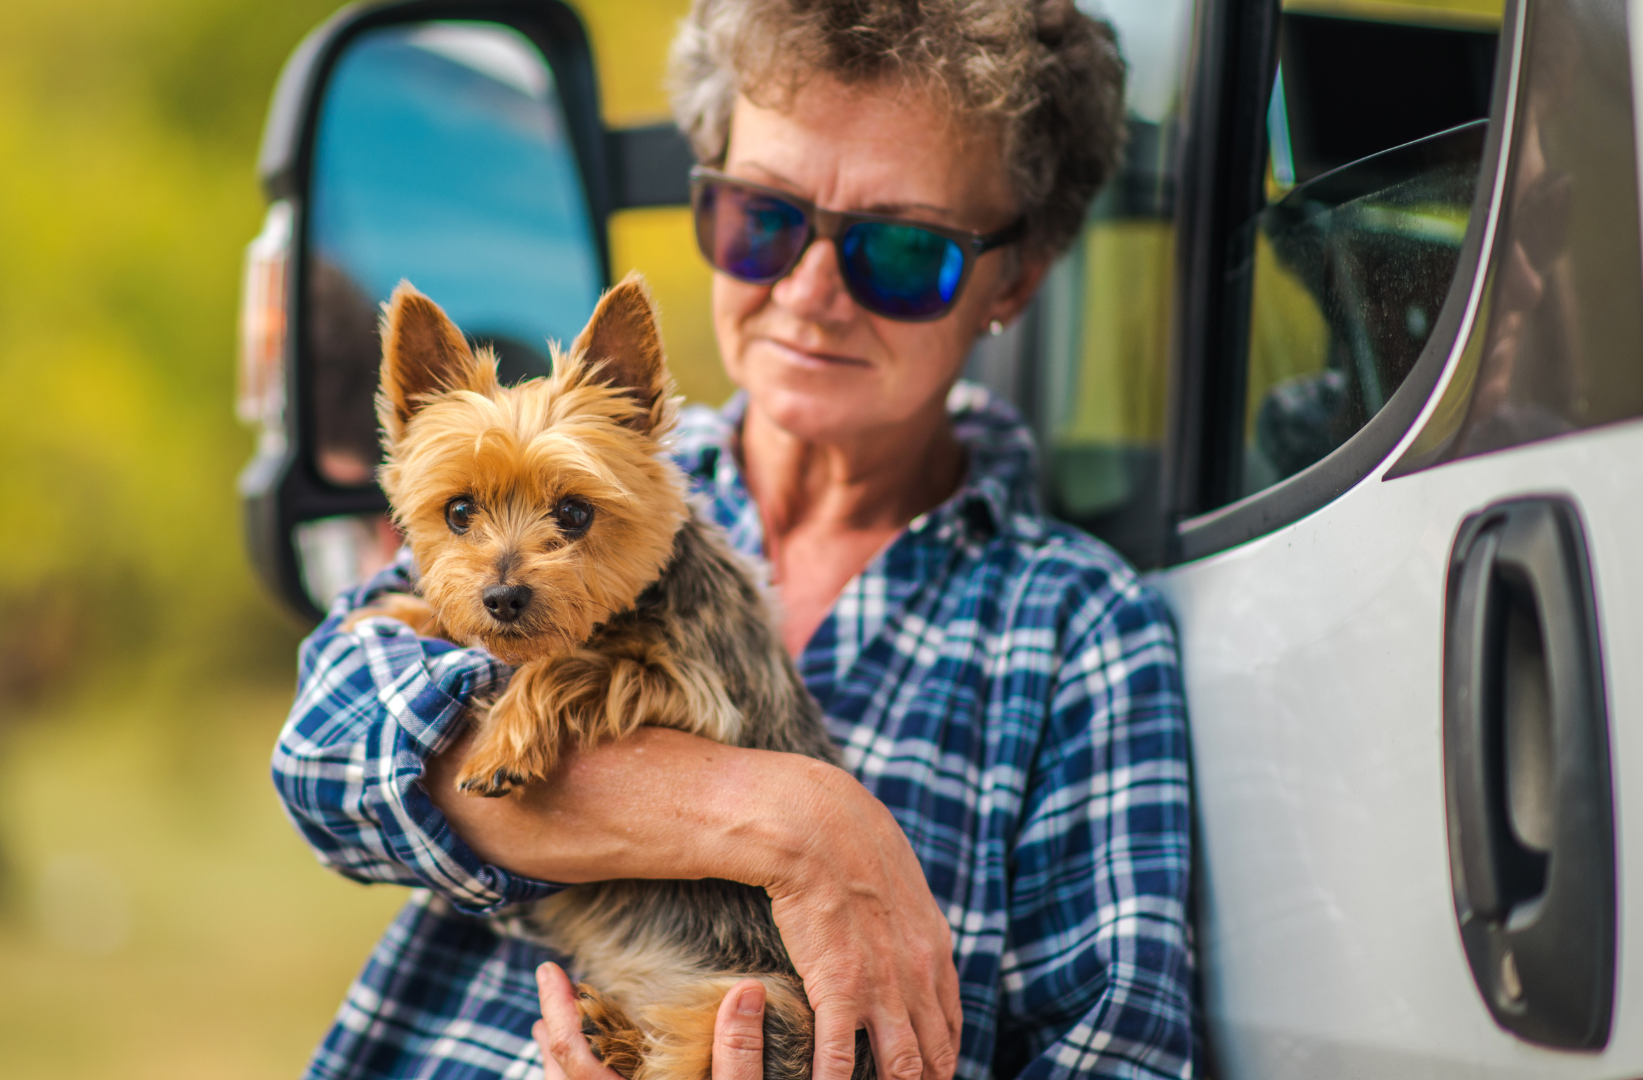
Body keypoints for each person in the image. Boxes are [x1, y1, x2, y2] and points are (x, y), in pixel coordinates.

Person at [272, 0, 1197, 1077]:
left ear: (1015, 279)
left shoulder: (1079, 634)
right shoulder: (566, 465)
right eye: (764, 219)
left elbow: (1117, 1054)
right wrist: (788, 816)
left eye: (902, 251)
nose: (810, 294)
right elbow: (324, 754)